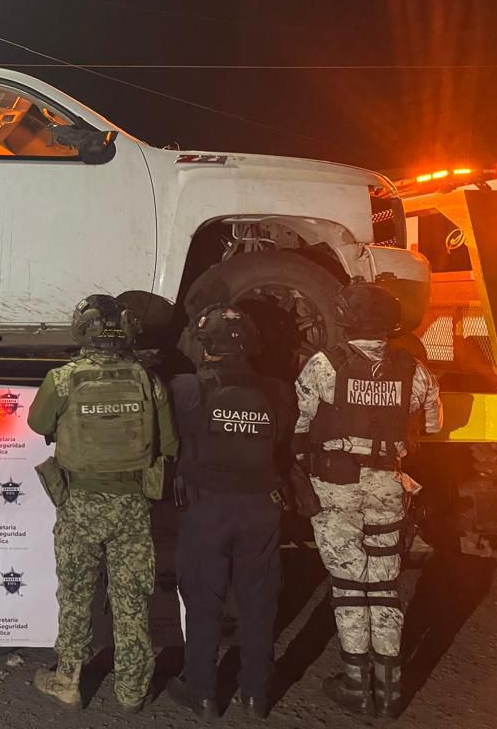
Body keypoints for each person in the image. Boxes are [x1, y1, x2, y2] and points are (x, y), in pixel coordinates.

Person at [296, 278, 442, 717]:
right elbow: (432, 425)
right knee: (383, 586)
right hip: (387, 486)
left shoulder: (324, 365)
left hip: (336, 485)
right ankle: (390, 689)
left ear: (345, 319)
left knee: (348, 588)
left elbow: (300, 425)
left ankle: (356, 685)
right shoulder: (414, 369)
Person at [28, 293, 177, 712]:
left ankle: (68, 681)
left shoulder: (63, 379)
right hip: (132, 505)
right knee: (132, 600)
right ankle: (132, 691)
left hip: (80, 504)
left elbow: (38, 422)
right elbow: (169, 445)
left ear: (83, 329)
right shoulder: (148, 381)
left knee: (76, 595)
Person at [166, 306, 295, 719]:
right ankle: (257, 695)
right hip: (261, 508)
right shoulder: (278, 391)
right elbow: (283, 443)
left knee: (204, 601)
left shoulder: (186, 388)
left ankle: (202, 693)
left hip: (207, 508)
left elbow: (169, 437)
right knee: (259, 603)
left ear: (206, 345)